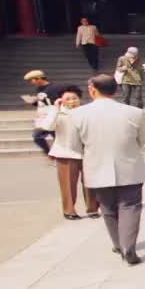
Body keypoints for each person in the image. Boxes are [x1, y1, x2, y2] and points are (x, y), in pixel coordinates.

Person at [66, 74, 145, 266]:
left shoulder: (77, 114)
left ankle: (118, 244)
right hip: (129, 165)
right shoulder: (134, 112)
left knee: (108, 208)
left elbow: (74, 146)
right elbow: (141, 140)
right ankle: (129, 247)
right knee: (130, 206)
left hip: (96, 166)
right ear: (116, 90)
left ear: (92, 89)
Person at [45, 86, 99, 221]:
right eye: (67, 99)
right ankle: (69, 210)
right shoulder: (58, 113)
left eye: (74, 98)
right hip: (65, 153)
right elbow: (47, 127)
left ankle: (93, 208)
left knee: (91, 182)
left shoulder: (87, 112)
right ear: (60, 100)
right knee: (68, 184)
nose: (72, 101)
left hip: (87, 153)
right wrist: (55, 109)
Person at [23, 70, 67, 156]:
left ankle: (60, 156)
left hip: (54, 116)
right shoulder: (39, 89)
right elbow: (41, 104)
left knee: (57, 138)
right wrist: (33, 101)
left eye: (32, 80)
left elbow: (58, 102)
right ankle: (50, 154)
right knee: (37, 137)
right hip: (43, 117)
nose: (31, 82)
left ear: (39, 78)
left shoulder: (54, 87)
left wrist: (42, 99)